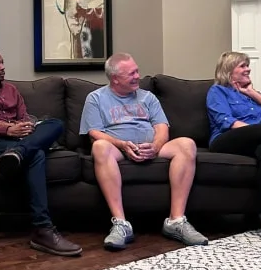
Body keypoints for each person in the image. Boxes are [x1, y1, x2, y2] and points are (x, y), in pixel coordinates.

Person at [80, 52, 208, 250]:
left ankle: (176, 222)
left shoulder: (148, 97)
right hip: (118, 148)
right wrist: (122, 144)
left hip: (151, 147)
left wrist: (156, 146)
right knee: (99, 147)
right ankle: (121, 224)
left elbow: (162, 127)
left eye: (137, 71)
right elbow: (94, 133)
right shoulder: (96, 98)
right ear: (115, 78)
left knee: (187, 144)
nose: (137, 76)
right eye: (131, 73)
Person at [0, 49, 82, 257]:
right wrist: (8, 129)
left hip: (20, 139)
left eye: (2, 63)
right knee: (36, 154)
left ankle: (19, 151)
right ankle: (43, 229)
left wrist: (24, 126)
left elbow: (24, 115)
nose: (2, 67)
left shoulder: (11, 90)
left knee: (55, 124)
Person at [206, 51, 261, 248]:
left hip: (256, 141)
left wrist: (252, 93)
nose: (248, 69)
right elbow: (226, 122)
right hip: (225, 140)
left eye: (248, 65)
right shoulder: (217, 92)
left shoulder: (250, 94)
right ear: (229, 70)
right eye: (243, 66)